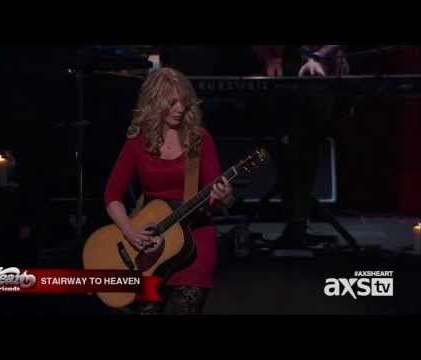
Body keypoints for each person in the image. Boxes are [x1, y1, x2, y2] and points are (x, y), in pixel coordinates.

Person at [104, 67, 234, 314]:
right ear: (154, 102)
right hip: (149, 245)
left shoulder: (198, 140)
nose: (179, 109)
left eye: (182, 102)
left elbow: (220, 198)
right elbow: (112, 195)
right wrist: (130, 232)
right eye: (171, 102)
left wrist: (224, 195)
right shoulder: (137, 143)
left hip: (194, 241)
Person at [251, 45, 349, 247]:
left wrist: (317, 56)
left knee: (308, 147)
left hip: (322, 74)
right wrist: (269, 57)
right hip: (284, 74)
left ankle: (299, 222)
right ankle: (297, 222)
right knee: (284, 148)